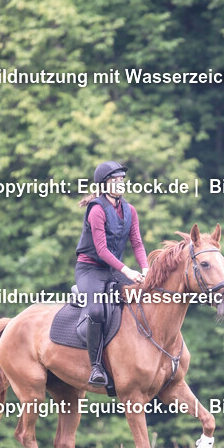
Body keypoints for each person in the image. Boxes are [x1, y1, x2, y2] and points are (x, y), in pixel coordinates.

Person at [74, 161, 149, 385]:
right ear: (104, 185)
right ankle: (96, 367)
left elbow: (137, 243)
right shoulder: (96, 210)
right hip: (90, 270)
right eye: (114, 180)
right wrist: (127, 270)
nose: (120, 184)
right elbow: (101, 250)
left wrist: (146, 269)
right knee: (97, 310)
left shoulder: (130, 210)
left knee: (145, 296)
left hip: (112, 269)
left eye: (121, 180)